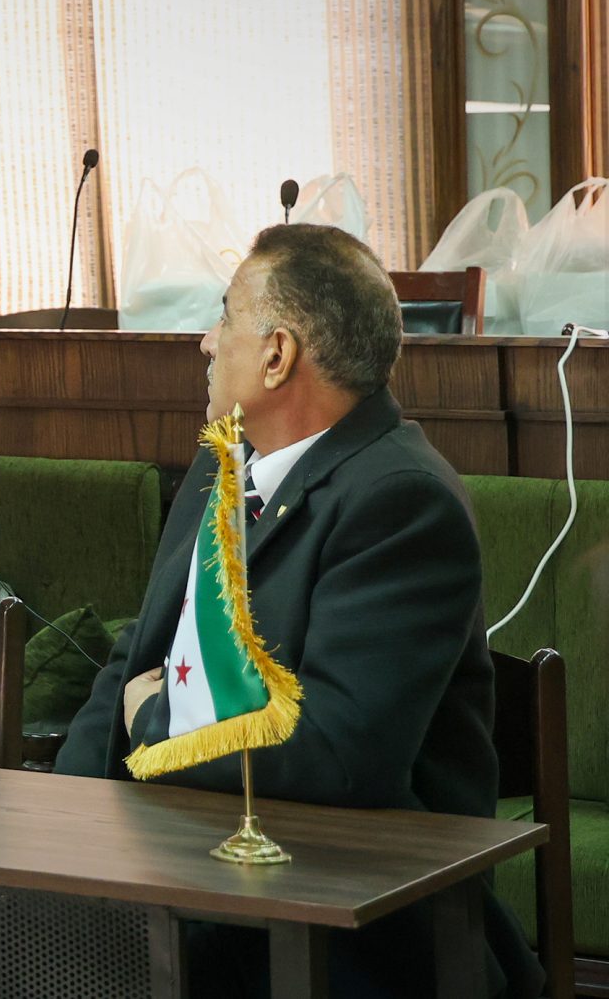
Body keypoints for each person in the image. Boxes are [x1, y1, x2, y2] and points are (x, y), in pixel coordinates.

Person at [54, 224, 542, 999]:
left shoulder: (401, 499)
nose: (206, 341)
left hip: (343, 915)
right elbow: (133, 660)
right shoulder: (221, 462)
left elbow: (337, 753)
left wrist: (156, 723)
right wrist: (56, 833)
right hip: (183, 869)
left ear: (277, 355)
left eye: (225, 317)